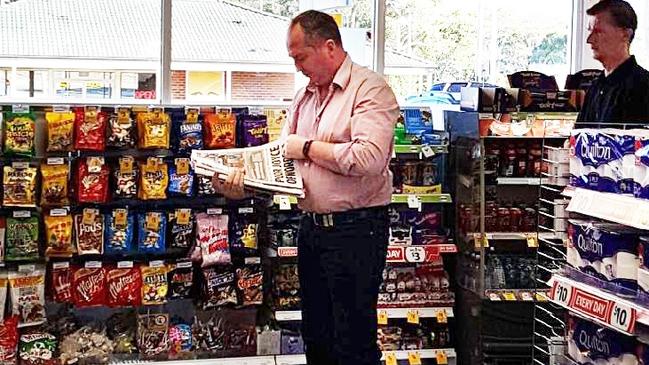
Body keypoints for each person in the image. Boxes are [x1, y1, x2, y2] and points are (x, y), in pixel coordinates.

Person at [213, 10, 400, 365]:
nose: (297, 67)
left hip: (357, 230)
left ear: (329, 47)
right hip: (312, 230)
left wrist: (309, 148)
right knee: (317, 337)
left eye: (300, 57)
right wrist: (244, 186)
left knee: (353, 342)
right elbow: (283, 166)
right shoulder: (304, 98)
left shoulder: (370, 88)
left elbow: (370, 158)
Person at [577, 0, 649, 123]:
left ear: (625, 34)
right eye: (590, 31)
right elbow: (580, 136)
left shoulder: (644, 87)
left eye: (598, 32)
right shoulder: (595, 87)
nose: (589, 40)